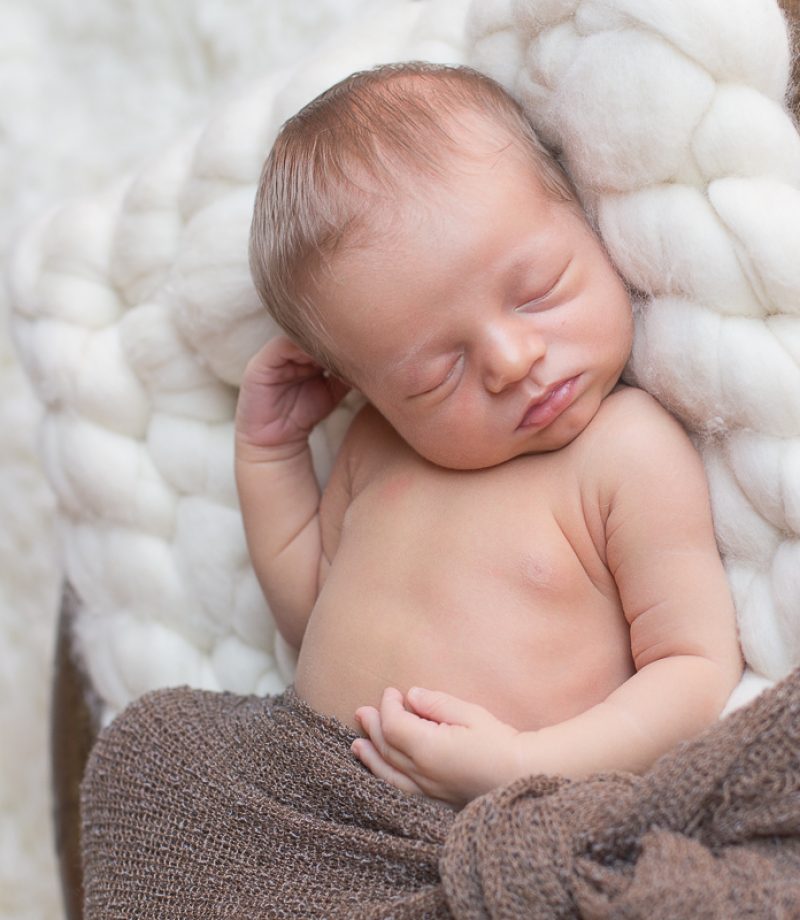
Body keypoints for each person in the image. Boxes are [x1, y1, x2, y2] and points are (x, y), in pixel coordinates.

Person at [237, 61, 743, 809]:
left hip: (502, 816)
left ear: (585, 219)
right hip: (307, 797)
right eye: (436, 375)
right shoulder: (380, 445)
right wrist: (269, 455)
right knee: (149, 748)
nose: (513, 362)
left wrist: (521, 763)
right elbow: (308, 613)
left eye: (538, 292)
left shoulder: (624, 451)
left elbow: (695, 671)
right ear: (365, 387)